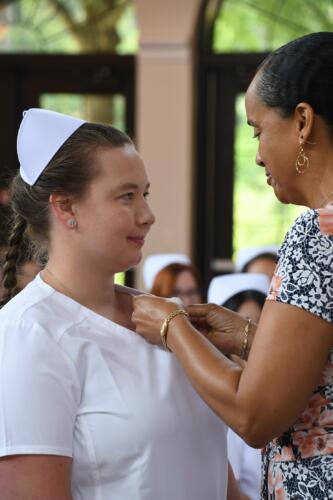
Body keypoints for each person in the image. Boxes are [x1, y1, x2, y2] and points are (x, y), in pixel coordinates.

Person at [132, 32, 333, 498]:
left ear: (303, 121)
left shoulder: (316, 235)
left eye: (259, 131)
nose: (259, 155)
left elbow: (255, 416)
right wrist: (249, 338)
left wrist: (172, 327)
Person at [0, 108, 238, 500]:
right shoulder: (29, 336)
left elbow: (213, 473)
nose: (148, 215)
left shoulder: (164, 317)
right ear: (66, 208)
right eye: (126, 196)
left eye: (145, 194)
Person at [208, 272, 271, 500]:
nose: (253, 341)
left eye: (260, 327)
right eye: (243, 329)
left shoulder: (290, 391)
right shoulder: (218, 403)